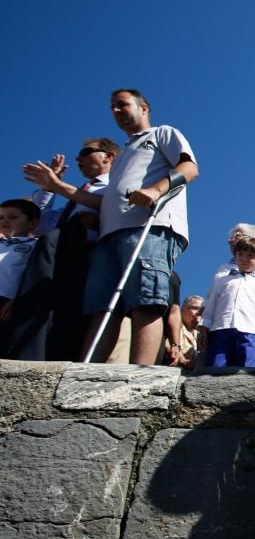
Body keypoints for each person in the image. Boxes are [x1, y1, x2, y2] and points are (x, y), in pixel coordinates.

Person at [25, 89, 198, 364]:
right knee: (102, 308)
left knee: (146, 301)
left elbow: (189, 169)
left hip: (147, 227)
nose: (116, 111)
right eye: (112, 108)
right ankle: (86, 373)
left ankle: (142, 376)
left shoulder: (162, 133)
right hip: (109, 235)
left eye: (122, 105)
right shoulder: (123, 157)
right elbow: (101, 201)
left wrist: (155, 190)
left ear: (143, 108)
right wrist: (57, 187)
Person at [20, 139, 118, 359]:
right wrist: (49, 190)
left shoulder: (114, 185)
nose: (78, 159)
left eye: (86, 152)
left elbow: (118, 211)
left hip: (91, 261)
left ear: (108, 156)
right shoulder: (74, 194)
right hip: (59, 262)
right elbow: (43, 226)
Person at [199, 236, 255, 368]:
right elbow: (211, 307)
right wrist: (204, 328)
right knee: (216, 368)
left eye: (250, 255)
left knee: (247, 370)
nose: (244, 259)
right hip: (220, 330)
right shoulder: (222, 281)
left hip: (249, 333)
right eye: (240, 254)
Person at [0, 199, 41, 357]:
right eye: (1, 217)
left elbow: (35, 274)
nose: (5, 221)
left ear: (32, 223)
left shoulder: (36, 244)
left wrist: (19, 298)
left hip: (5, 302)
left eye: (12, 217)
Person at [177, 294, 203, 369]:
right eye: (195, 308)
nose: (199, 313)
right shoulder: (175, 327)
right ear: (182, 310)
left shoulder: (199, 334)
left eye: (202, 311)